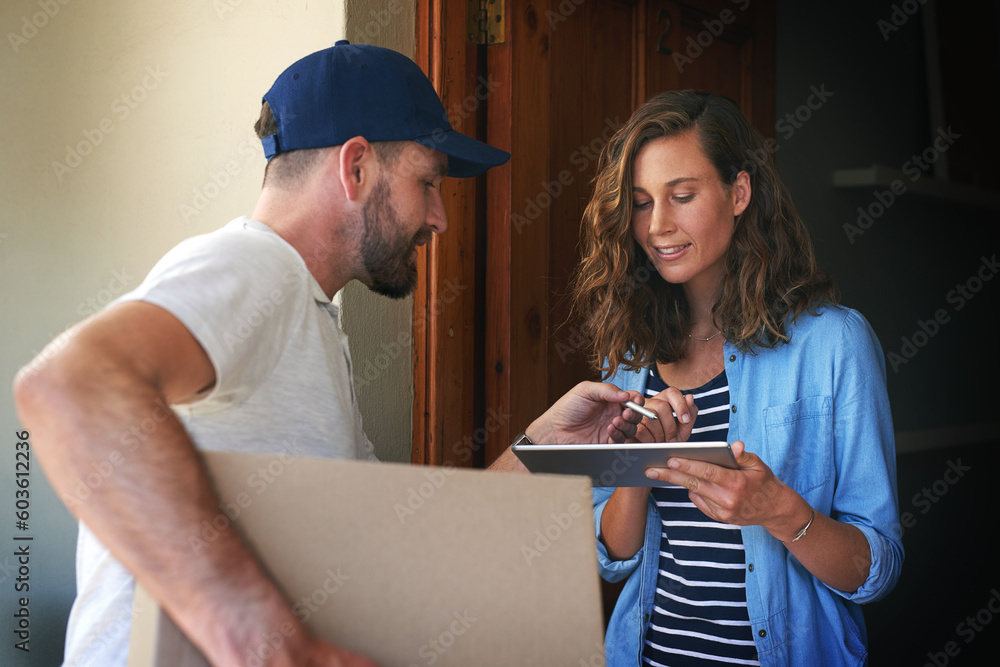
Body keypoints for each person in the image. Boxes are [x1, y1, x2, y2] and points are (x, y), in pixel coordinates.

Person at [13, 42, 642, 667]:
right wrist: (263, 637)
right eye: (427, 183)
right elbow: (69, 386)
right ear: (357, 167)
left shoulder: (309, 319)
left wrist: (545, 446)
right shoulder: (255, 269)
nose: (439, 217)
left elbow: (400, 539)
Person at [569, 90, 903, 666]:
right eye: (643, 202)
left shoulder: (834, 344)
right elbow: (612, 556)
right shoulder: (631, 351)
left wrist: (777, 508)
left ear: (739, 192)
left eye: (682, 196)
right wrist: (637, 471)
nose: (658, 226)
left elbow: (874, 570)